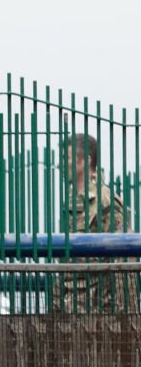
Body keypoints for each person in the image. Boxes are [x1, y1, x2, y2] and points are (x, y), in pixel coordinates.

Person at [55, 133, 136, 315]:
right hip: (70, 306)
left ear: (85, 160)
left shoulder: (105, 201)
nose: (60, 164)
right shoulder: (72, 201)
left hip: (97, 312)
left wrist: (127, 317)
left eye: (66, 158)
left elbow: (124, 259)